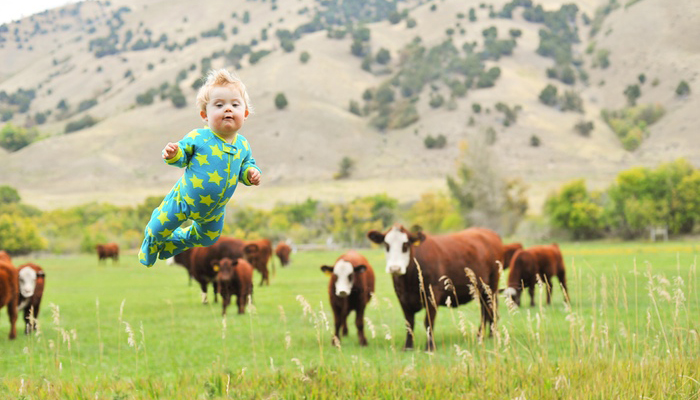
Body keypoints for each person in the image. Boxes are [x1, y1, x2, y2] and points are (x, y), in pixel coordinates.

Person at [138, 69, 261, 267]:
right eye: (219, 105)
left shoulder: (243, 146)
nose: (228, 109)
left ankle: (175, 243)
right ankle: (152, 242)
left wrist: (251, 174)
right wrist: (173, 154)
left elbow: (246, 167)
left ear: (245, 114)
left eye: (235, 104)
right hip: (183, 201)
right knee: (158, 227)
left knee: (208, 238)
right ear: (205, 115)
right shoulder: (199, 138)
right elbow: (182, 154)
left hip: (214, 211)